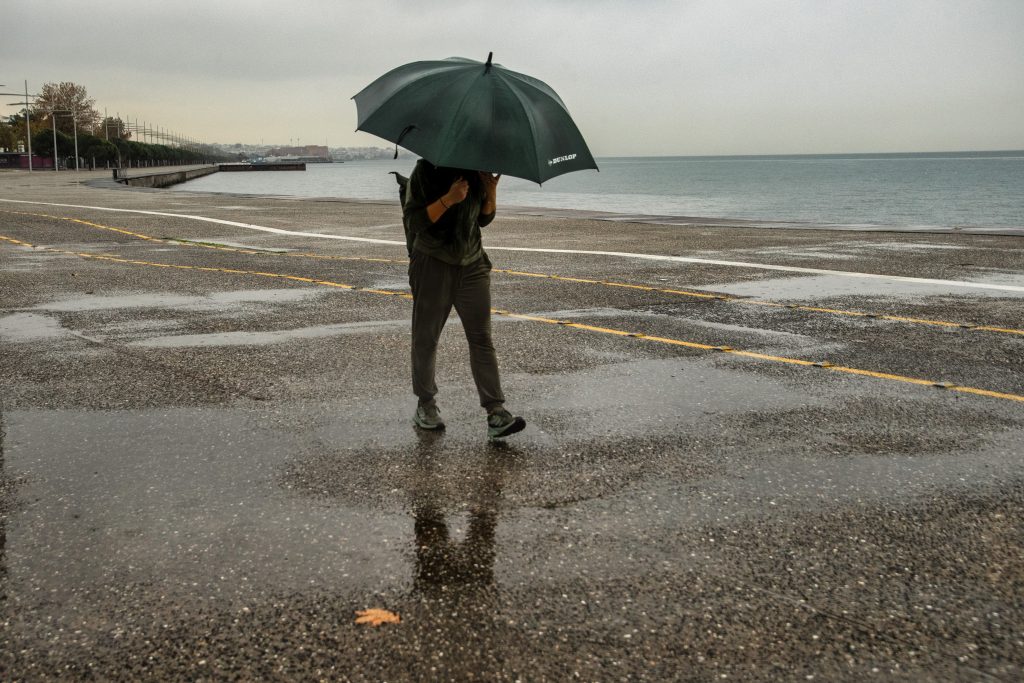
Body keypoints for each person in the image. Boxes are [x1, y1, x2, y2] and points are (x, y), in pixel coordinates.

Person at [403, 158, 526, 439]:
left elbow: (483, 219)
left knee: (481, 338)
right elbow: (414, 221)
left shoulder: (477, 169)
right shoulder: (426, 170)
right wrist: (449, 199)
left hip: (472, 263)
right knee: (426, 337)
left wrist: (491, 193)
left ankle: (495, 411)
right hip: (433, 261)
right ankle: (425, 404)